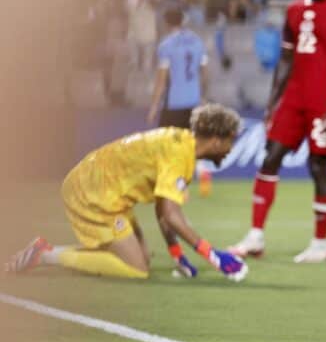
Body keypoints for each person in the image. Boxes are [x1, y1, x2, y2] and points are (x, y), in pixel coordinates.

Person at [6, 104, 246, 281]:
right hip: (94, 194)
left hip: (105, 190)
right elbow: (171, 214)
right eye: (230, 141)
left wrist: (176, 253)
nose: (229, 150)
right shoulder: (178, 156)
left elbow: (163, 208)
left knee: (142, 258)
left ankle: (51, 252)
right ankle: (46, 255)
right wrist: (213, 256)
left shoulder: (181, 144)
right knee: (137, 269)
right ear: (216, 140)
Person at [228, 0, 326, 264]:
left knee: (318, 167)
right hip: (293, 99)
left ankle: (321, 242)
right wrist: (273, 101)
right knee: (270, 157)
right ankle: (255, 236)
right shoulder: (294, 9)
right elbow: (285, 60)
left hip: (323, 101)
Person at [147, 7, 213, 196]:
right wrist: (203, 94)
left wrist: (153, 106)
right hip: (193, 101)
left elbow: (161, 80)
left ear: (167, 23)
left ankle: (178, 185)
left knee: (168, 144)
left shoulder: (166, 45)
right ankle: (203, 171)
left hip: (174, 103)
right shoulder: (197, 41)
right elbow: (205, 72)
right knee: (193, 142)